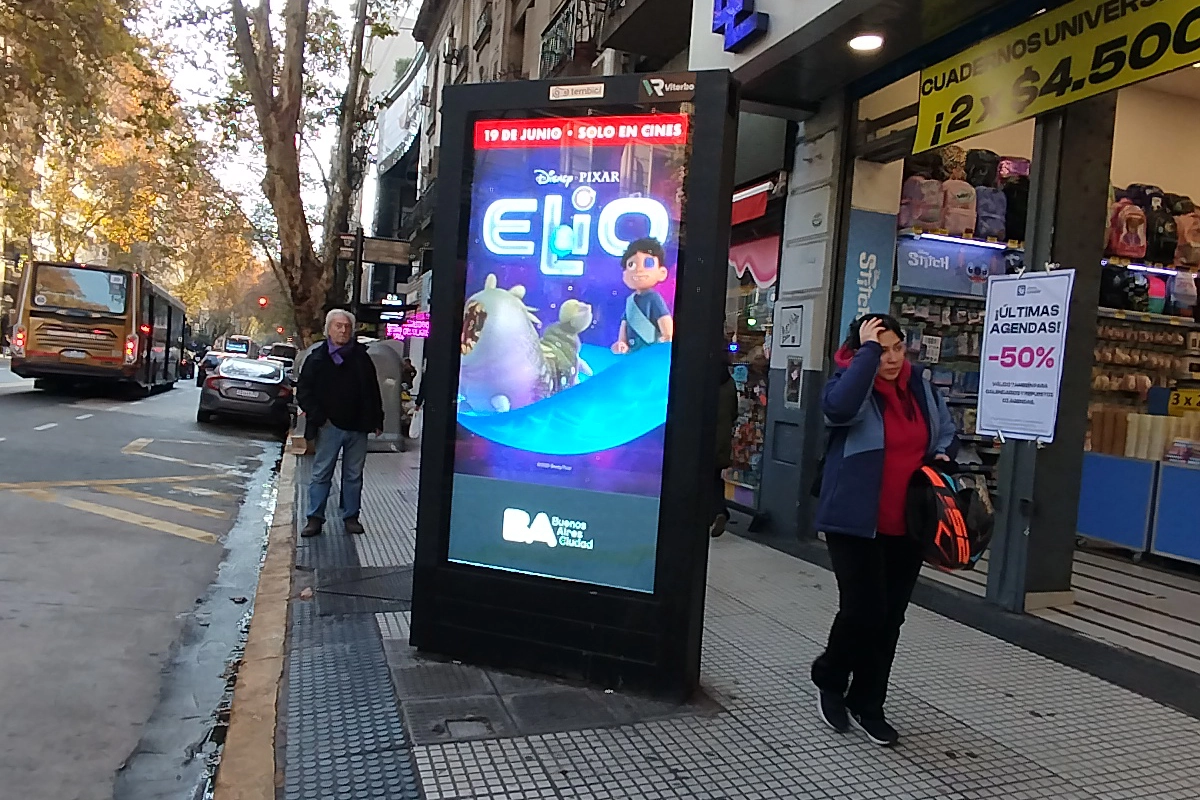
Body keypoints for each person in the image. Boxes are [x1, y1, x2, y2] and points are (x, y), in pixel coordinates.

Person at [811, 314, 956, 747]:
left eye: (896, 348)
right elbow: (839, 411)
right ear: (861, 353)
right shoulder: (849, 386)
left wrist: (943, 454)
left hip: (909, 522)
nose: (891, 359)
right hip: (855, 520)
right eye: (880, 350)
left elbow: (946, 431)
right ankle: (830, 677)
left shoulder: (922, 388)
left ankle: (868, 702)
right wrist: (867, 355)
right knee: (863, 610)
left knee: (890, 617)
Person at [297, 309, 384, 537]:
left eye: (347, 326)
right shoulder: (317, 358)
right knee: (321, 473)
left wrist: (377, 419)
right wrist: (319, 417)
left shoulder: (361, 357)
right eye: (338, 326)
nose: (343, 330)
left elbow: (373, 390)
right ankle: (315, 518)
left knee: (353, 475)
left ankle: (351, 517)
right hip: (329, 426)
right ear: (328, 329)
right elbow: (304, 391)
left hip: (358, 426)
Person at [611, 237, 674, 353]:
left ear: (662, 272)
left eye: (648, 263)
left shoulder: (654, 298)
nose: (639, 270)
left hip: (650, 350)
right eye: (631, 265)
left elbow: (664, 318)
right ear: (624, 274)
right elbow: (625, 323)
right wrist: (621, 342)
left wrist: (667, 337)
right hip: (633, 351)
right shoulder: (630, 301)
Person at [711, 352, 737, 538]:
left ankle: (715, 512)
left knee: (701, 479)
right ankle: (718, 511)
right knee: (714, 477)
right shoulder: (730, 383)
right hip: (722, 440)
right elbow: (734, 412)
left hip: (703, 439)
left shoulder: (703, 382)